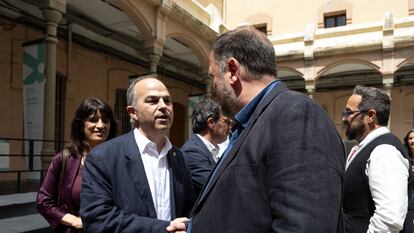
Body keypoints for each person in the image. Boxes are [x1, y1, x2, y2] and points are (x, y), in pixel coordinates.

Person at [188, 26, 346, 233]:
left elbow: (302, 226)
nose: (213, 87)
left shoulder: (295, 115)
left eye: (213, 77)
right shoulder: (254, 122)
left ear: (233, 71)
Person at [80, 75, 195, 233]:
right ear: (133, 112)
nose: (163, 106)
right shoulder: (103, 157)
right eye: (152, 100)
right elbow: (97, 219)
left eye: (167, 100)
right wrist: (165, 229)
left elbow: (189, 210)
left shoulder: (180, 158)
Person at [37, 98, 118, 233]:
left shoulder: (120, 159)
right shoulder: (64, 159)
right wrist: (74, 221)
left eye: (106, 120)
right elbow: (44, 201)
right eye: (93, 120)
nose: (101, 125)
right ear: (81, 124)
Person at [342, 85, 413, 233]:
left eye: (349, 112)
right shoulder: (365, 147)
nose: (344, 117)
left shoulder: (384, 151)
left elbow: (389, 219)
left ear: (371, 116)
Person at [181, 99, 232, 196]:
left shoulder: (212, 149)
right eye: (226, 122)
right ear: (211, 123)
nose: (230, 127)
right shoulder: (192, 151)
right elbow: (217, 186)